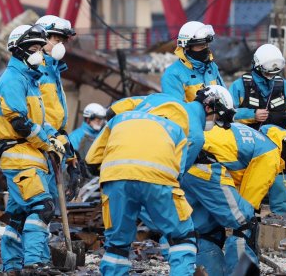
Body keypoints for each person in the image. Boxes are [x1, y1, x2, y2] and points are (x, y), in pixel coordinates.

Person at [85, 85, 233, 276]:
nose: (215, 123)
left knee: (117, 246)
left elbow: (91, 161)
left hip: (115, 178)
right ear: (209, 107)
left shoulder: (123, 118)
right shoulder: (186, 131)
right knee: (182, 237)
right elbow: (177, 174)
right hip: (156, 179)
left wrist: (118, 173)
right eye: (218, 119)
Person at [182, 123, 286, 274]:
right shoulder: (271, 155)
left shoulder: (260, 138)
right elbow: (250, 198)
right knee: (244, 225)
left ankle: (210, 271)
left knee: (205, 229)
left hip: (186, 162)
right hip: (208, 170)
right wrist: (250, 221)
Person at [0, 24, 66, 274]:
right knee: (42, 207)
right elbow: (20, 122)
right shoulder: (12, 79)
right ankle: (34, 262)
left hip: (32, 156)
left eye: (40, 48)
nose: (39, 54)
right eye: (33, 49)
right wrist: (47, 143)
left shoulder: (29, 80)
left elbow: (39, 120)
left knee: (18, 216)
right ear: (18, 50)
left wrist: (55, 139)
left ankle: (12, 266)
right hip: (19, 156)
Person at [229, 43, 286, 213]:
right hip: (248, 151)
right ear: (257, 66)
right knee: (246, 197)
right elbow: (225, 112)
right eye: (268, 72)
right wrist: (251, 114)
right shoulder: (240, 86)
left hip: (280, 153)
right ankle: (245, 227)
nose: (271, 76)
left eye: (275, 73)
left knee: (283, 198)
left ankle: (283, 230)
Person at [162, 21, 224, 102]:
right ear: (187, 47)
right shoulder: (173, 74)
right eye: (201, 47)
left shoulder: (211, 67)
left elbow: (224, 96)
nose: (205, 50)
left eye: (206, 46)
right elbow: (177, 110)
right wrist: (200, 104)